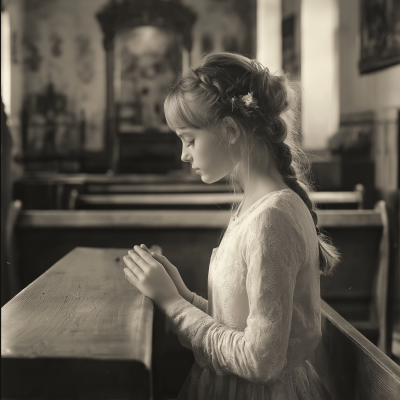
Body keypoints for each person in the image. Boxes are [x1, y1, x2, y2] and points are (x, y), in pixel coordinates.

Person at [122, 52, 339, 400]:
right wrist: (183, 296)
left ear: (230, 130)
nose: (184, 155)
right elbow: (240, 322)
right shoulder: (256, 207)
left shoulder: (272, 219)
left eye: (189, 139)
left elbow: (260, 361)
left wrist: (172, 305)